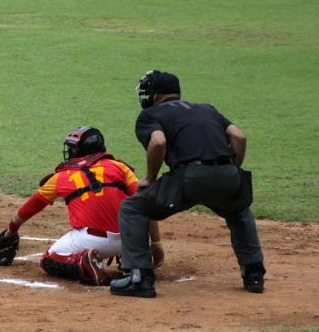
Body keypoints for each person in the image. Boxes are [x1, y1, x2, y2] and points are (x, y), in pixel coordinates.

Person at [111, 70, 265, 298]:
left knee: (133, 208)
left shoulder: (150, 115)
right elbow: (239, 137)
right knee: (238, 210)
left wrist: (150, 178)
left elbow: (158, 142)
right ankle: (253, 273)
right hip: (227, 174)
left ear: (154, 97)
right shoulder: (207, 109)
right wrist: (233, 168)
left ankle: (140, 278)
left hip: (190, 177)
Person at [0, 127, 161, 286]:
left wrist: (11, 229)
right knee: (131, 215)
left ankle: (83, 262)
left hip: (93, 240)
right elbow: (146, 203)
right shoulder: (119, 167)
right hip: (132, 240)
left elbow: (31, 207)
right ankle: (129, 261)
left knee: (49, 260)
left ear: (78, 151)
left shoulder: (61, 177)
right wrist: (155, 243)